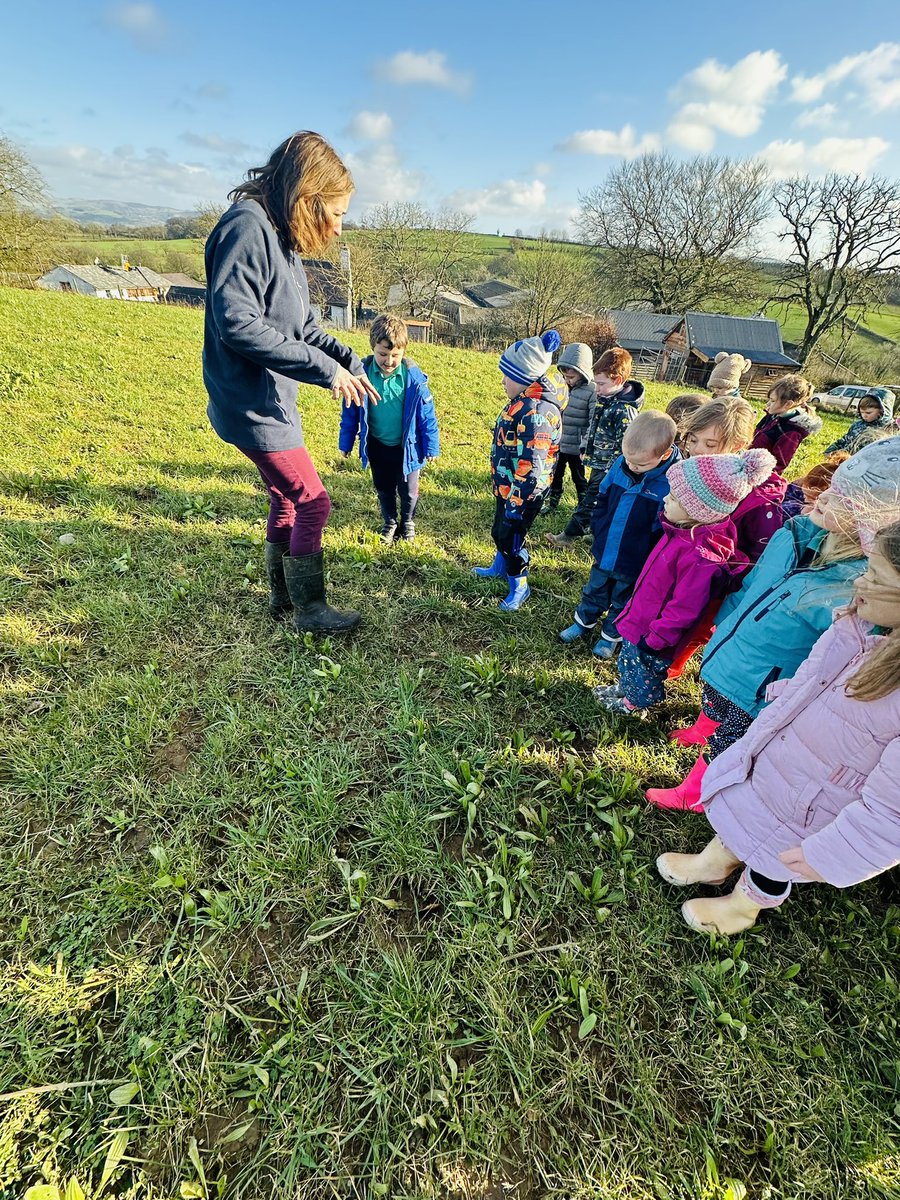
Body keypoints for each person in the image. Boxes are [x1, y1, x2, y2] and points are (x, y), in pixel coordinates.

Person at [656, 520, 900, 937]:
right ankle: (716, 862)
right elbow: (813, 676)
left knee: (776, 856)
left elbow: (891, 812)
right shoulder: (859, 627)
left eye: (876, 576)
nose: (861, 578)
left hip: (819, 803)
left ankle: (743, 905)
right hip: (783, 757)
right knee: (748, 810)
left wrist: (836, 854)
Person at [650, 436, 900, 810]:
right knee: (717, 698)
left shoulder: (855, 585)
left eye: (843, 500)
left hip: (764, 679)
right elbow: (753, 585)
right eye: (832, 488)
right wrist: (728, 617)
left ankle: (698, 792)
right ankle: (703, 728)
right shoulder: (794, 534)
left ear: (868, 524)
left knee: (733, 733)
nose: (825, 497)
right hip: (735, 645)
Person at [203, 130, 380, 635]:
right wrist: (326, 372)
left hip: (272, 398)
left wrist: (347, 358)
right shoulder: (247, 229)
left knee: (284, 496)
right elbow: (236, 322)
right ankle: (310, 610)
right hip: (252, 404)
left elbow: (300, 326)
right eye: (338, 213)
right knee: (312, 501)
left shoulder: (285, 239)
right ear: (308, 198)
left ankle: (282, 599)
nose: (341, 229)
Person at [593, 449, 776, 717]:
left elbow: (684, 609)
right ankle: (626, 688)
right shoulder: (681, 530)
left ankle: (634, 704)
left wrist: (656, 638)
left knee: (641, 667)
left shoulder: (701, 557)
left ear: (699, 509)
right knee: (630, 664)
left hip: (653, 633)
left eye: (675, 497)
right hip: (643, 617)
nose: (665, 498)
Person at [663, 399, 787, 681]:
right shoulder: (692, 471)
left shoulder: (758, 499)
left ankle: (672, 667)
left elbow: (761, 554)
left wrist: (729, 575)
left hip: (715, 581)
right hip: (679, 563)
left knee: (694, 627)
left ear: (739, 444)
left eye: (709, 444)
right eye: (692, 440)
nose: (696, 450)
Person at [558, 412, 680, 658]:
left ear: (664, 455)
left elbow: (665, 524)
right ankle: (583, 622)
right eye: (628, 459)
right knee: (594, 589)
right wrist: (598, 526)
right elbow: (602, 496)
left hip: (635, 558)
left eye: (641, 464)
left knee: (624, 600)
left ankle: (610, 637)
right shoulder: (620, 464)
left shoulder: (671, 481)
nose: (632, 466)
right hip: (606, 549)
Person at [472, 330, 566, 611]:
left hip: (523, 493)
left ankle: (519, 586)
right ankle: (499, 568)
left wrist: (516, 500)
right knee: (499, 530)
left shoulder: (536, 413)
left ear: (525, 378)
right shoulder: (523, 402)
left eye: (507, 376)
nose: (502, 381)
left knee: (511, 537)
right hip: (509, 486)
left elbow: (533, 466)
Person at [338, 314, 440, 544]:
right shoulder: (361, 374)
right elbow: (350, 412)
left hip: (408, 448)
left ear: (403, 352)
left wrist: (432, 446)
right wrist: (345, 443)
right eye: (383, 354)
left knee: (409, 490)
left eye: (395, 355)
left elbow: (427, 415)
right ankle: (390, 521)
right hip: (377, 445)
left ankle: (408, 521)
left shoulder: (414, 379)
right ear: (372, 347)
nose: (389, 360)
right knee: (383, 487)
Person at [545, 347, 643, 547]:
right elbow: (592, 429)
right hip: (598, 462)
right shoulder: (605, 401)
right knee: (602, 502)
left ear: (617, 380)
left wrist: (613, 467)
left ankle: (568, 536)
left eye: (600, 384)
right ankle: (598, 532)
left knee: (591, 500)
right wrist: (584, 449)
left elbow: (626, 444)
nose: (596, 388)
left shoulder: (623, 410)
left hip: (610, 466)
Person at [543, 343, 594, 515]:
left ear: (583, 372)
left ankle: (583, 507)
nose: (567, 380)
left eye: (571, 377)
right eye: (564, 376)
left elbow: (592, 419)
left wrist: (585, 445)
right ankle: (552, 503)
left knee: (578, 477)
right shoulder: (561, 388)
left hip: (576, 447)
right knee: (555, 475)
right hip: (558, 443)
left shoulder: (592, 391)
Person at [750, 374, 822, 473]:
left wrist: (755, 476)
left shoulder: (791, 432)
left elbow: (778, 465)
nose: (768, 404)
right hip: (747, 465)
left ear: (788, 404)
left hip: (757, 476)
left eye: (773, 400)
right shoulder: (772, 415)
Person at [825, 392, 896, 456]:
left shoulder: (888, 430)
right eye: (862, 412)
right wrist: (830, 451)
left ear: (882, 411)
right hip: (842, 460)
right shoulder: (858, 424)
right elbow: (845, 439)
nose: (864, 416)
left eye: (868, 413)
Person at [782, 452, 849, 519]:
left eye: (810, 497)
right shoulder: (798, 489)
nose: (805, 498)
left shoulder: (821, 510)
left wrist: (805, 513)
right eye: (805, 495)